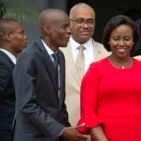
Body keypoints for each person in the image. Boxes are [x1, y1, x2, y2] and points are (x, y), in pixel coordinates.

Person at [77, 15, 141, 141]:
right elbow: (88, 114)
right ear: (108, 40)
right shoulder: (95, 70)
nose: (121, 43)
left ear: (133, 41)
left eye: (127, 39)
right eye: (116, 38)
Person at [12, 9, 89, 141]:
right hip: (33, 136)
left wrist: (69, 130)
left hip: (54, 135)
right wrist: (61, 130)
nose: (69, 31)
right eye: (64, 27)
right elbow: (27, 105)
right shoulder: (29, 57)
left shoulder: (60, 56)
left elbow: (59, 103)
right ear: (48, 29)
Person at [60, 3, 110, 126]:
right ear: (69, 23)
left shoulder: (107, 53)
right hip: (64, 127)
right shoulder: (57, 52)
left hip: (99, 127)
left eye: (90, 21)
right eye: (80, 21)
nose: (86, 26)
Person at [0, 18, 27, 141]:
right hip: (4, 131)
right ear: (8, 36)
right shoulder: (0, 63)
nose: (25, 37)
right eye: (21, 33)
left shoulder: (12, 62)